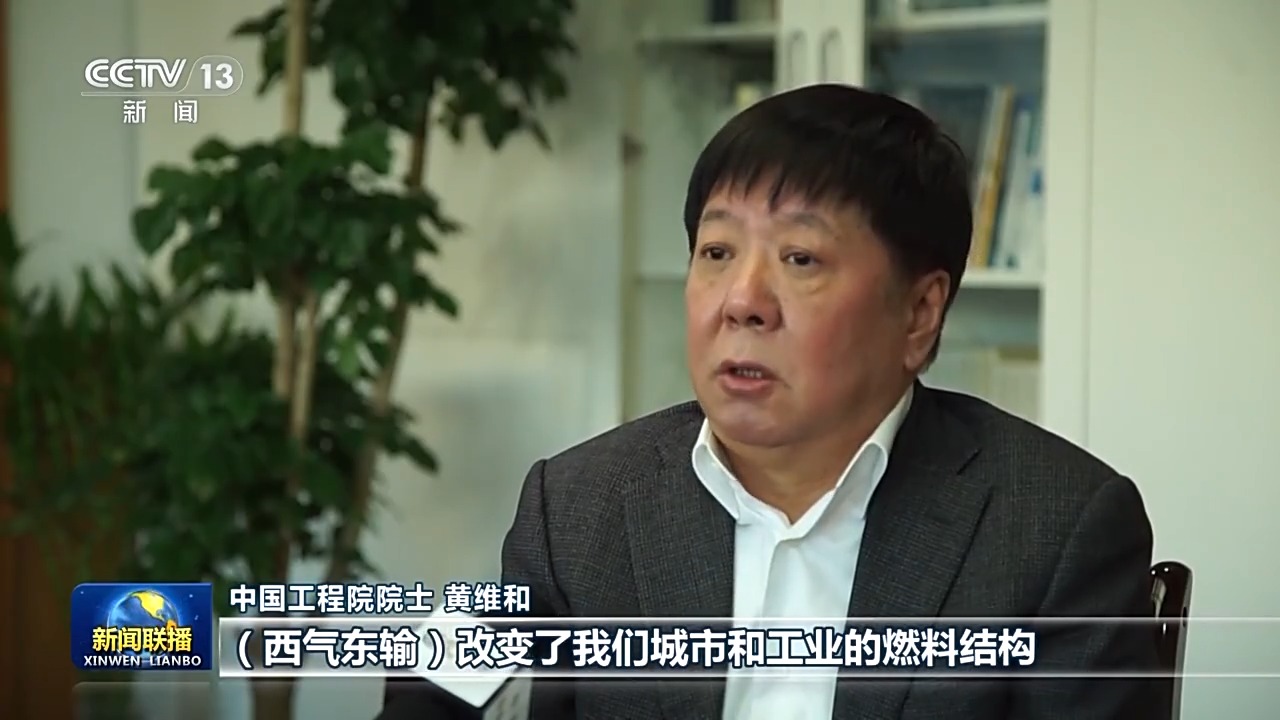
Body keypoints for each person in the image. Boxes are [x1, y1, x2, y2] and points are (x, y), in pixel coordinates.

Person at [382, 83, 1161, 719]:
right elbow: (445, 690)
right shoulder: (581, 505)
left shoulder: (1055, 527)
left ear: (919, 313)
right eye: (717, 252)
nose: (742, 301)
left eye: (800, 258)